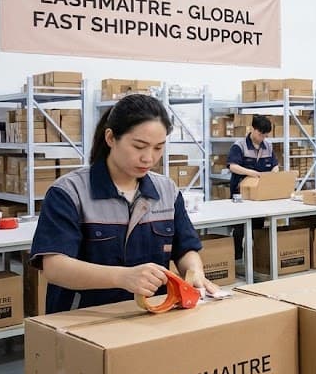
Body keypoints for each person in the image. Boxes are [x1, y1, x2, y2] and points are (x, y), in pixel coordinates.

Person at [28, 94, 217, 314]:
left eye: (158, 148)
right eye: (139, 146)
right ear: (110, 138)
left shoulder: (167, 191)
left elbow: (186, 248)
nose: (149, 158)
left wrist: (194, 274)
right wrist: (123, 277)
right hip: (85, 320)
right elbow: (54, 267)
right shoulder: (70, 192)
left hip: (151, 315)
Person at [228, 115, 279, 259]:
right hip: (240, 194)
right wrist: (251, 173)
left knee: (258, 227)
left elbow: (275, 165)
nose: (262, 137)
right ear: (252, 129)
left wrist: (274, 173)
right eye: (260, 133)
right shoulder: (239, 145)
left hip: (260, 194)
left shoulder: (268, 146)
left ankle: (257, 259)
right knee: (239, 228)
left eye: (265, 135)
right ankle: (237, 258)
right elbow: (232, 166)